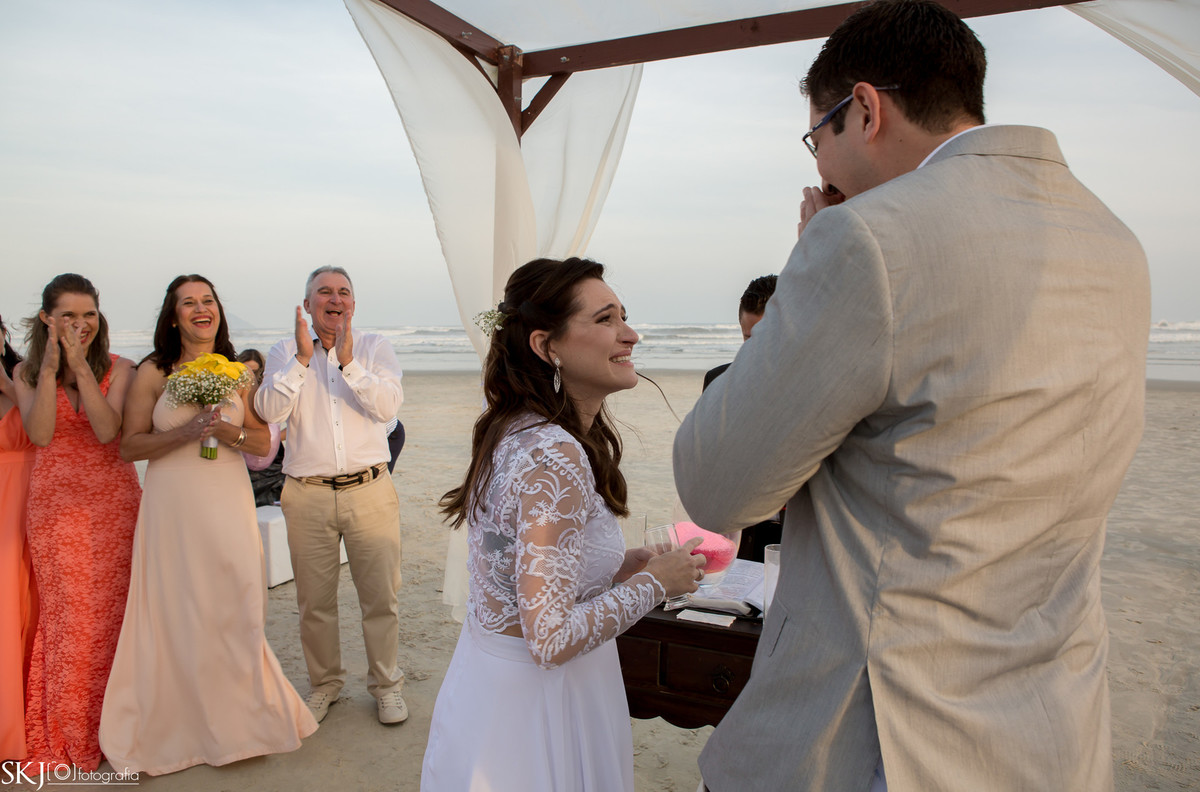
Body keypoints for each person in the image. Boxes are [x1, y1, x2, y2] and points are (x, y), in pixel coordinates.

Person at [673, 2, 1150, 790]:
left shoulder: (864, 238)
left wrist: (806, 272)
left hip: (884, 733)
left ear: (864, 109)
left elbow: (718, 485)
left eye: (817, 136)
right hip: (1051, 722)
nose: (820, 165)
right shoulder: (1114, 240)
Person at [421, 257, 703, 791]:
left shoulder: (516, 428)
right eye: (605, 320)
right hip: (536, 710)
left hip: (493, 688)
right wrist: (655, 583)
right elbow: (548, 639)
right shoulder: (554, 455)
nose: (631, 335)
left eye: (624, 316)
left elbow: (522, 573)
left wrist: (618, 568)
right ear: (547, 346)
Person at [99, 275, 317, 775]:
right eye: (189, 303)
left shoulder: (239, 370)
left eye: (208, 300)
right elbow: (130, 446)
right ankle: (175, 728)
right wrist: (187, 432)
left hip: (226, 497)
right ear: (173, 315)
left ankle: (242, 724)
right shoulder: (155, 370)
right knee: (176, 606)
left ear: (218, 309)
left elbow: (263, 445)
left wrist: (222, 429)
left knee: (235, 601)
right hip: (173, 502)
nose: (201, 309)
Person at [255, 266, 408, 725]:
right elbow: (268, 411)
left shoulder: (375, 347)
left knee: (381, 598)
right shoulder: (284, 351)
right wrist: (303, 363)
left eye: (344, 292)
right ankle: (325, 685)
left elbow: (387, 407)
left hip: (370, 491)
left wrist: (348, 363)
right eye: (325, 292)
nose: (335, 298)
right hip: (307, 495)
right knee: (314, 602)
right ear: (308, 305)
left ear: (353, 305)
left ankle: (386, 686)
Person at [13, 274, 142, 772]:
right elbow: (41, 434)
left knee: (116, 615)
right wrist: (48, 372)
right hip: (55, 511)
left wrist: (82, 370)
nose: (80, 324)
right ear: (48, 318)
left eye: (88, 314)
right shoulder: (27, 374)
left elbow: (109, 432)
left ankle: (119, 729)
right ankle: (72, 733)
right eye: (68, 315)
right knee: (70, 620)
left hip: (114, 505)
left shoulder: (122, 367)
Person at [0, 315, 36, 761]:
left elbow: (41, 427)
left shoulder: (24, 373)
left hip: (28, 497)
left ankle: (28, 720)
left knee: (26, 603)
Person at [701, 274, 778, 391]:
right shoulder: (715, 380)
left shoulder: (809, 384)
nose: (756, 348)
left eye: (766, 338)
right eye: (748, 338)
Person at [237, 348, 286, 506]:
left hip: (273, 460)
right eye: (246, 370)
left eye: (255, 371)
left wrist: (275, 438)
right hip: (244, 457)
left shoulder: (269, 394)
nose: (250, 376)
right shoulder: (235, 395)